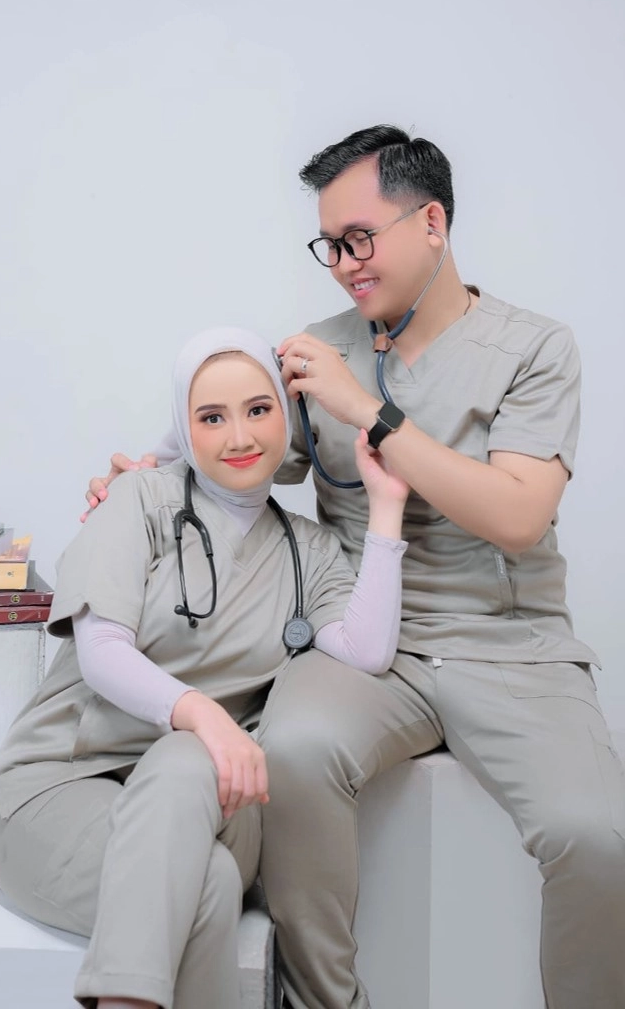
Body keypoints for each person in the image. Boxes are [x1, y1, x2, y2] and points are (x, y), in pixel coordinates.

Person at [86, 127, 625, 1009]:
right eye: (330, 244)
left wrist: (366, 409)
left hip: (509, 646)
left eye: (360, 239)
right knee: (293, 751)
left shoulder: (534, 349)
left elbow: (519, 517)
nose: (342, 265)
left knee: (597, 837)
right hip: (365, 645)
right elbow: (234, 448)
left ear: (433, 222)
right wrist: (141, 480)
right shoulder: (317, 352)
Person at [0, 326, 409, 1009]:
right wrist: (206, 715)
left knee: (186, 758)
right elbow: (101, 649)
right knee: (208, 888)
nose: (239, 436)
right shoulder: (137, 499)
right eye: (211, 417)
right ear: (185, 427)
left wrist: (386, 509)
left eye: (258, 409)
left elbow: (367, 648)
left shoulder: (308, 550)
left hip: (218, 801)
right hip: (62, 790)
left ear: (285, 416)